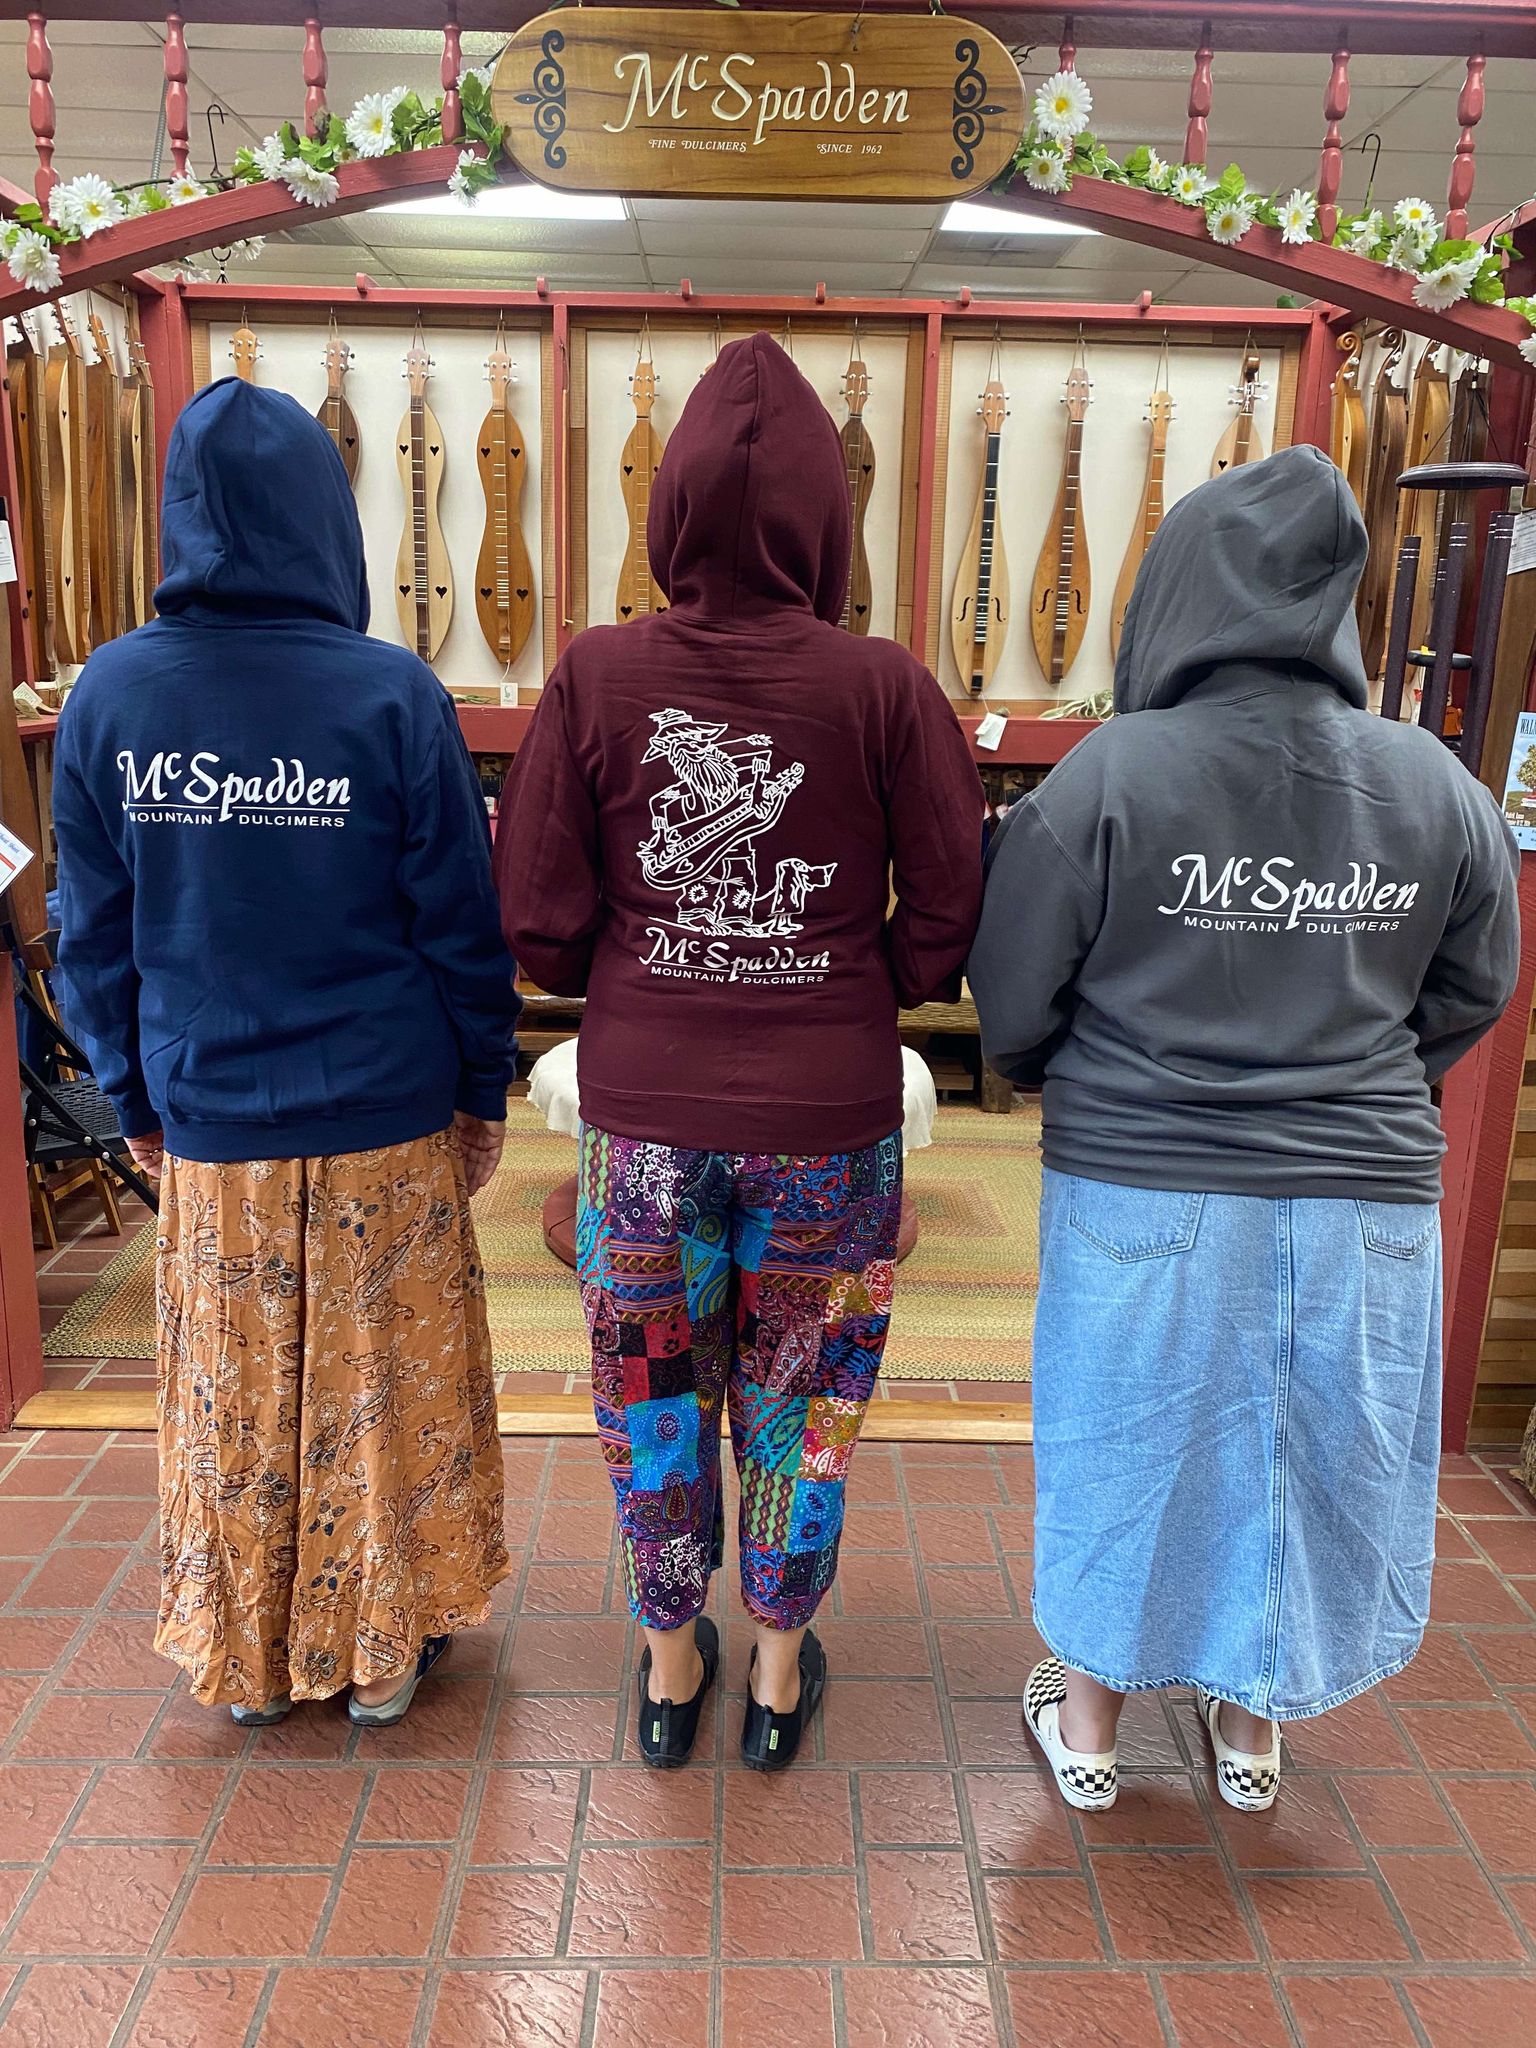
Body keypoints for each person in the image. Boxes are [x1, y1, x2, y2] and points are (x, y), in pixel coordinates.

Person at [969, 444, 1519, 1814]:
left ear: (1177, 595)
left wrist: (1069, 1075)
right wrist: (1366, 1076)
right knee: (1311, 1449)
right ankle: (1253, 1731)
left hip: (1146, 1175)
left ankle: (1090, 1730)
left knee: (1127, 1439)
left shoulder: (1110, 774)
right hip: (1368, 1194)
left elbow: (1012, 981)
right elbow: (1475, 987)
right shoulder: (1433, 781)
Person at [495, 332, 981, 1770]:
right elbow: (952, 904)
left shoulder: (596, 673)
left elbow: (533, 914)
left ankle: (666, 1667)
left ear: (671, 513)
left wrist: (637, 987)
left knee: (648, 1390)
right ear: (831, 523)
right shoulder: (886, 686)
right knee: (804, 1397)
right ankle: (776, 1671)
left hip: (644, 1126)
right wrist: (859, 985)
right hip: (830, 1119)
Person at [52, 379, 519, 1729]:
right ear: (330, 515)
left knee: (238, 1392)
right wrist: (482, 1091)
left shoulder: (113, 694)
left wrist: (130, 1097)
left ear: (180, 518)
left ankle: (250, 1660)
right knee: (385, 1390)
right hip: (384, 1104)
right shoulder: (391, 692)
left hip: (210, 1109)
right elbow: (461, 927)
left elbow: (97, 937)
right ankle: (379, 1657)